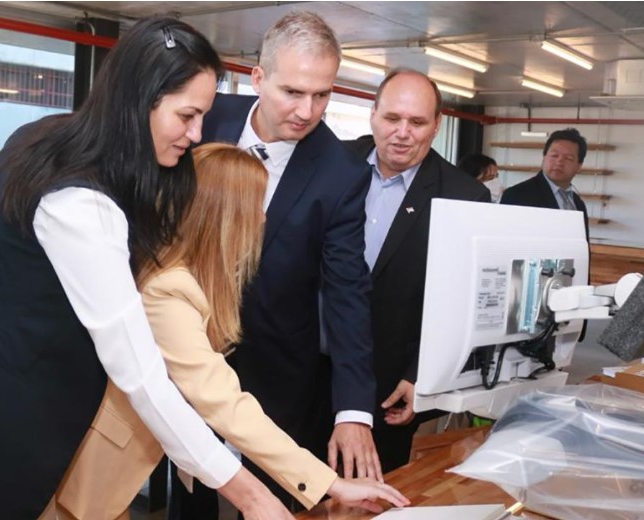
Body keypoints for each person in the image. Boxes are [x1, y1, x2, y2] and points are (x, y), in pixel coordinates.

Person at [0, 17, 293, 520]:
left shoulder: (45, 135)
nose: (196, 133)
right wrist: (251, 495)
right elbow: (140, 374)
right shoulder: (81, 204)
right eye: (187, 115)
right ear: (141, 101)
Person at [56, 143, 409, 520]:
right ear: (225, 216)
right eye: (256, 205)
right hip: (92, 471)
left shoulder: (188, 275)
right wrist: (329, 484)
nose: (262, 219)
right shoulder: (167, 289)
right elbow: (223, 401)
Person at [169, 11, 379, 517]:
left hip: (278, 364)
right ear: (257, 78)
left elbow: (348, 288)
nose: (308, 111)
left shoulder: (341, 171)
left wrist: (354, 410)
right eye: (292, 92)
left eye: (323, 94)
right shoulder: (203, 118)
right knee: (190, 487)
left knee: (271, 499)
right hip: (184, 343)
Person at [344, 69, 491, 472]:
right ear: (372, 115)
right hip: (305, 368)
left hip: (390, 382)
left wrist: (421, 376)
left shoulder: (464, 196)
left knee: (368, 496)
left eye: (417, 122)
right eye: (392, 119)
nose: (402, 133)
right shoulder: (335, 163)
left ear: (437, 125)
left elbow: (461, 303)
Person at [500, 128, 590, 238]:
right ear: (544, 157)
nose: (559, 162)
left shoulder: (578, 203)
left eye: (568, 158)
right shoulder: (517, 195)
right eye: (554, 155)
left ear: (579, 166)